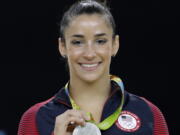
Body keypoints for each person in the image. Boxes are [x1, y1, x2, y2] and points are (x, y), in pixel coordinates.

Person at [18, 0, 169, 135]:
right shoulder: (35, 118)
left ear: (115, 44)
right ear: (62, 46)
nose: (89, 54)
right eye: (77, 42)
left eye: (100, 41)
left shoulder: (149, 113)